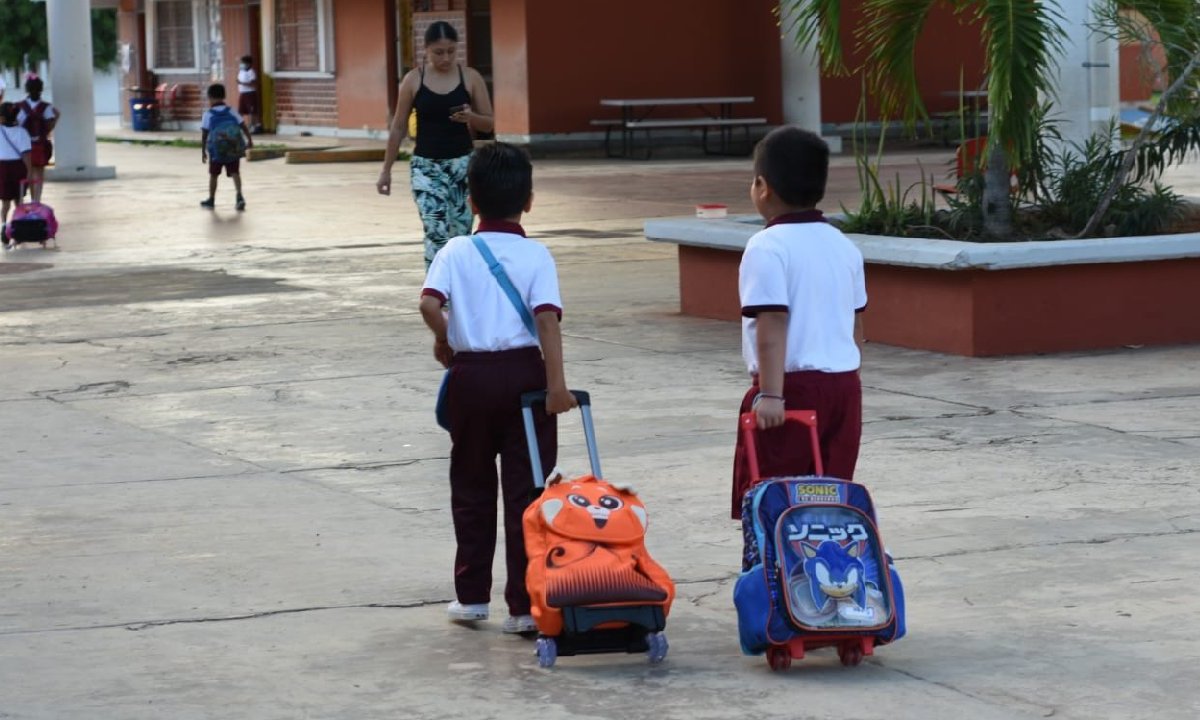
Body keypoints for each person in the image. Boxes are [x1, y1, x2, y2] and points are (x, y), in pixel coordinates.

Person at [419, 142, 576, 633]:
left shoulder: (456, 250)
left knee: (470, 485)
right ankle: (523, 606)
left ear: (469, 201)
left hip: (470, 378)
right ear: (528, 200)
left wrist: (445, 340)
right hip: (526, 380)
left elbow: (428, 303)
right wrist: (558, 388)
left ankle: (471, 598)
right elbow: (547, 321)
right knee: (528, 490)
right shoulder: (536, 254)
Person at [730, 126, 868, 519]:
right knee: (831, 500)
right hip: (844, 388)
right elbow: (857, 327)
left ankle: (773, 577)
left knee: (775, 499)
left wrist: (771, 394)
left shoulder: (766, 246)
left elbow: (772, 320)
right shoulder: (843, 244)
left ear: (762, 186)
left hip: (790, 390)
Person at [377, 20, 494, 269]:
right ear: (426, 50)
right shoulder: (413, 80)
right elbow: (398, 127)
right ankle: (436, 292)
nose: (446, 58)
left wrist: (470, 117)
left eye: (452, 51)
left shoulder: (470, 77)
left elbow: (489, 123)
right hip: (426, 167)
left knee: (461, 234)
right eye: (439, 52)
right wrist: (386, 170)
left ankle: (459, 288)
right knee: (436, 228)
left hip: (463, 166)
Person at [199, 83, 253, 211]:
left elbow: (204, 134)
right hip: (233, 149)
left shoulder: (208, 114)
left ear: (210, 97)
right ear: (224, 96)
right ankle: (239, 196)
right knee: (235, 173)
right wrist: (249, 140)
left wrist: (203, 151)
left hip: (216, 152)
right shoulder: (231, 111)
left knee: (213, 175)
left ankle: (211, 199)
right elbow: (243, 125)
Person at [16, 74, 58, 204]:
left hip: (24, 146)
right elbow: (50, 124)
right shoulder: (47, 107)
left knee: (28, 173)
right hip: (41, 145)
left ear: (27, 89)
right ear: (41, 89)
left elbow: (17, 125)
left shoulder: (20, 106)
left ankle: (29, 198)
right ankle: (37, 200)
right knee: (39, 174)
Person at [0, 102, 32, 241]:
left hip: (2, 168)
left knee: (5, 202)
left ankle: (3, 226)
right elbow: (26, 155)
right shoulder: (22, 132)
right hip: (19, 168)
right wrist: (29, 172)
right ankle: (19, 227)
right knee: (18, 200)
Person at [236, 55, 262, 134]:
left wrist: (242, 83)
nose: (241, 64)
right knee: (241, 110)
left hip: (250, 93)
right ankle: (239, 126)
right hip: (242, 93)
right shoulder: (241, 71)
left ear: (249, 63)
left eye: (243, 63)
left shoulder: (251, 72)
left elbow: (253, 83)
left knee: (252, 111)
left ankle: (254, 126)